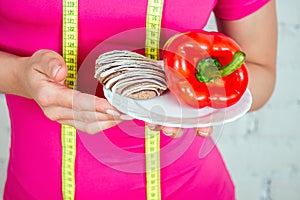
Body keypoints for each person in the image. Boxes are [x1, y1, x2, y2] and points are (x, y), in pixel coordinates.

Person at [0, 0, 277, 199]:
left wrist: (198, 100)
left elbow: (261, 70)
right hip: (35, 190)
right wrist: (18, 76)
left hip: (191, 190)